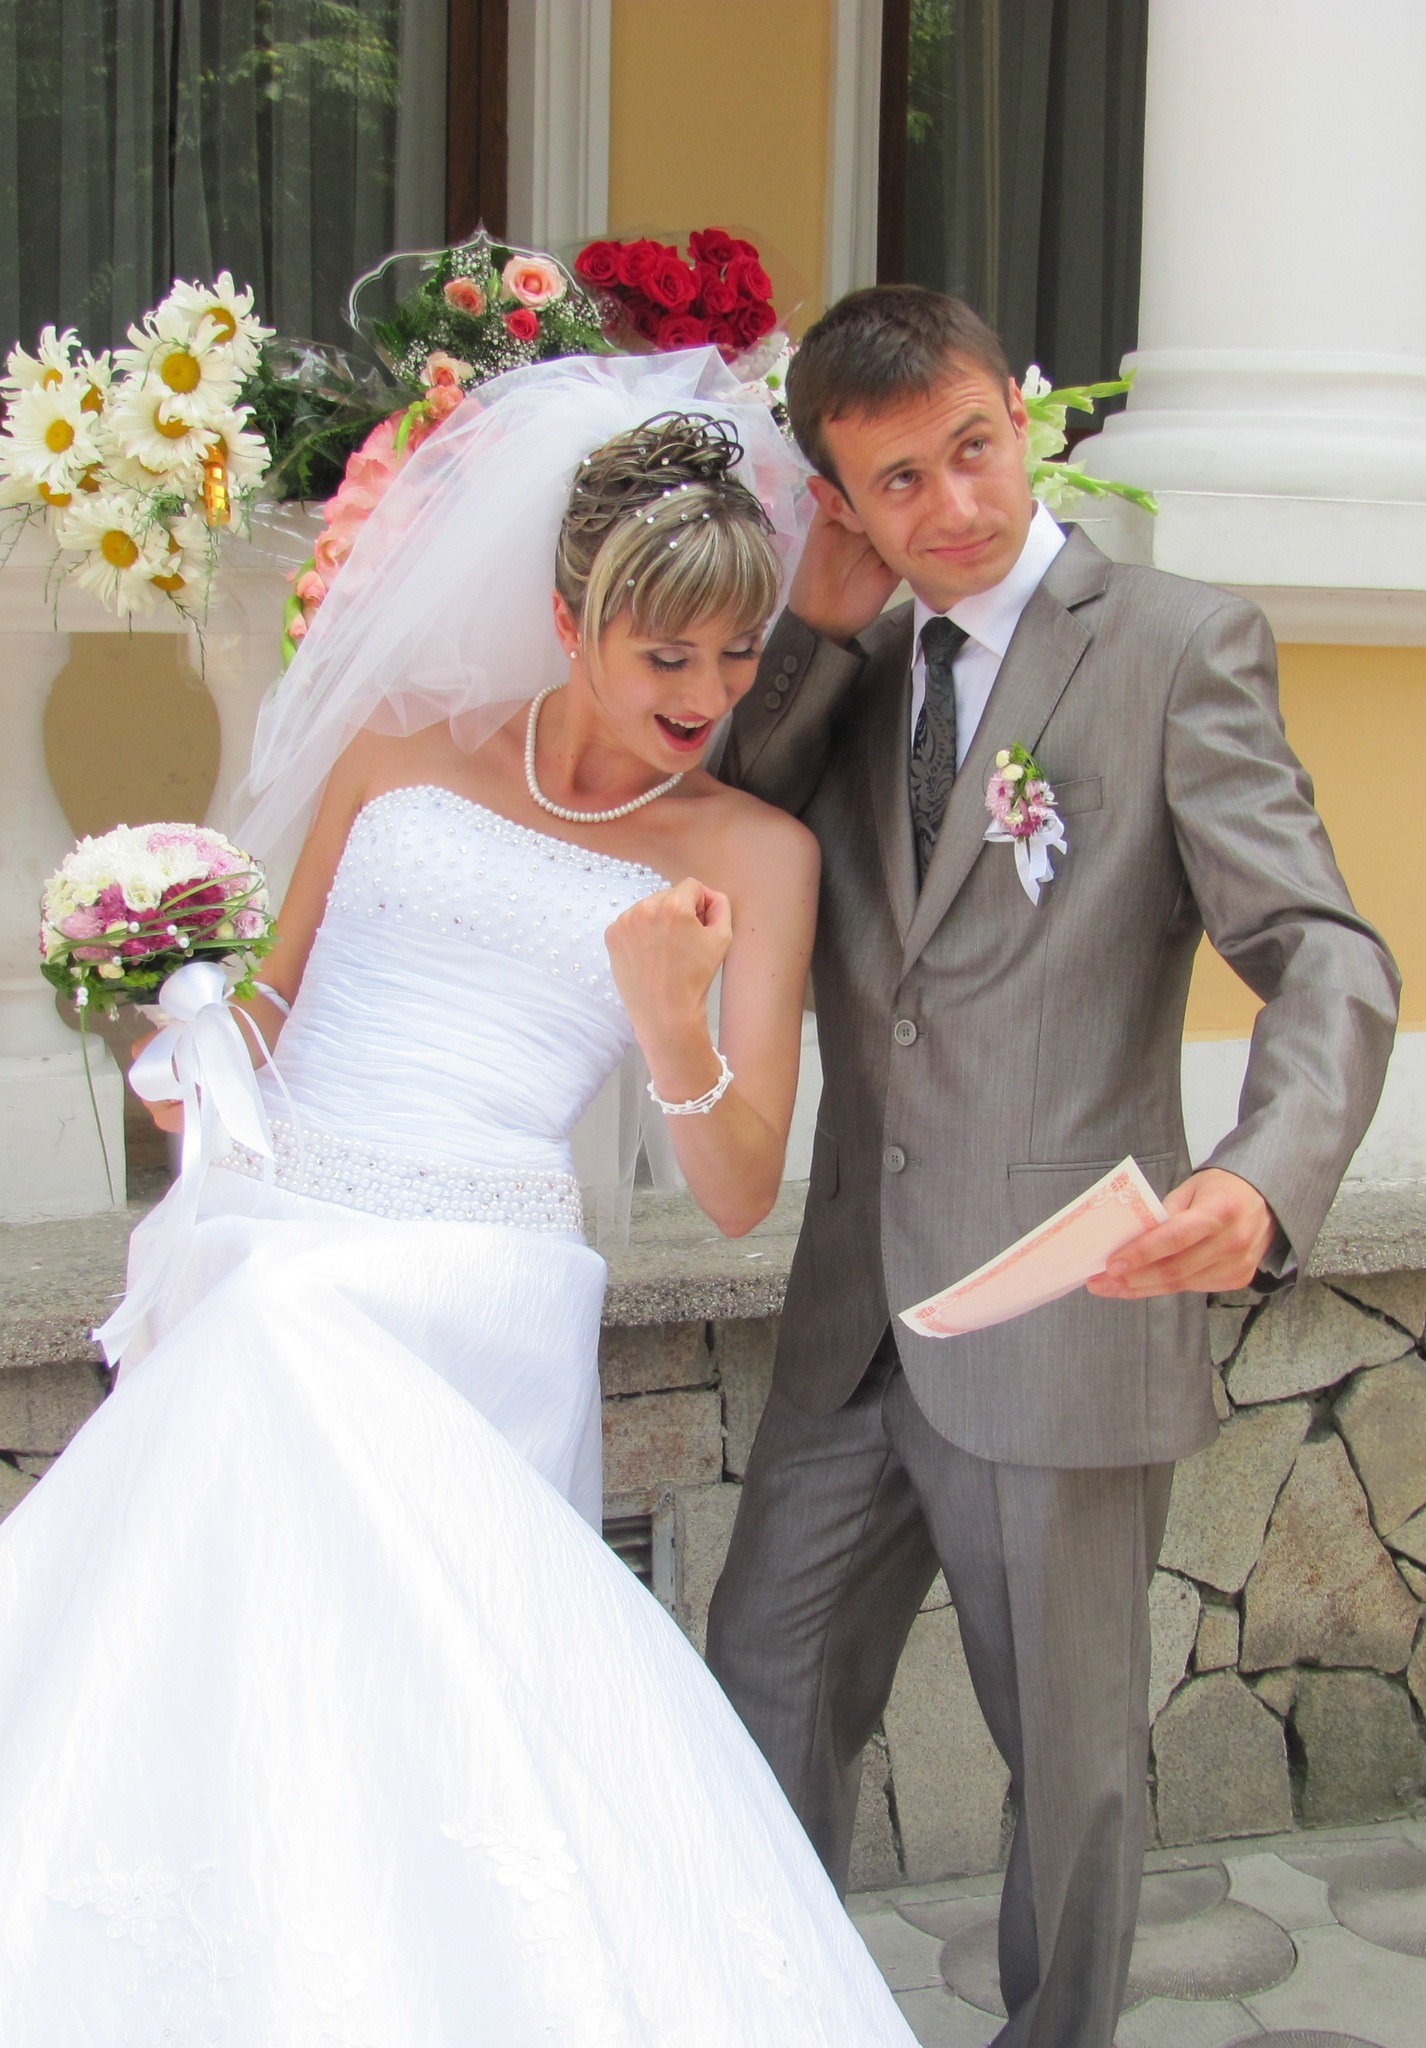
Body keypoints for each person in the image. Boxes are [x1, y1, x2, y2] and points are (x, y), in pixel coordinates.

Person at [0, 352, 918, 2045]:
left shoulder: (749, 854)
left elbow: (736, 1194)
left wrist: (671, 1033)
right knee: (266, 1436)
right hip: (286, 1211)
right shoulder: (395, 748)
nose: (707, 692)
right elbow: (270, 1010)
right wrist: (176, 1022)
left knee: (276, 1338)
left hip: (478, 1263)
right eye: (664, 653)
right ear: (567, 619)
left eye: (735, 653)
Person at [706, 286, 1400, 2048]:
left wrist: (1264, 1175)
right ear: (839, 503)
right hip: (852, 1320)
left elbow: (1323, 950)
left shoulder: (1174, 644)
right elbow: (723, 817)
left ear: (1021, 421)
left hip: (1061, 1305)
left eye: (972, 450)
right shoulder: (852, 670)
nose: (952, 505)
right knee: (758, 1686)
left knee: (1069, 1767)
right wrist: (811, 626)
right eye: (896, 481)